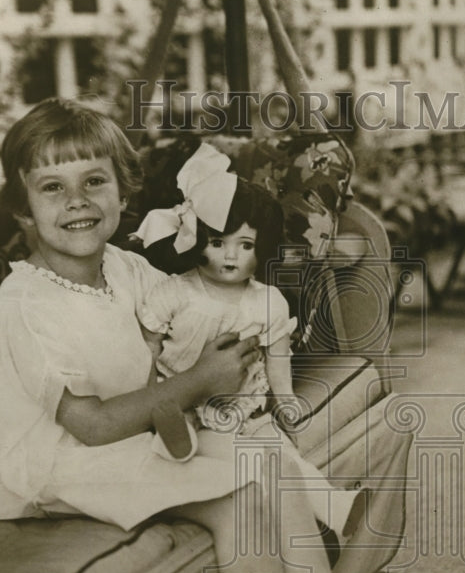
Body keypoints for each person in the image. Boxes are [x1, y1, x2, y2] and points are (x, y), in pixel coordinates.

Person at [0, 96, 443, 573]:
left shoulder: (125, 270)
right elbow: (94, 424)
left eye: (94, 181)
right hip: (49, 463)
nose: (77, 202)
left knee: (265, 464)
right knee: (238, 501)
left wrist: (236, 328)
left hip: (128, 432)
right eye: (52, 188)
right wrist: (197, 385)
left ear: (123, 192)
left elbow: (170, 340)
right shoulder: (26, 307)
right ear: (22, 211)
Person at [134, 143, 361, 539]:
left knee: (285, 458)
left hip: (244, 409)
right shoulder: (175, 292)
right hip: (179, 397)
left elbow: (277, 355)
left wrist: (286, 399)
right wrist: (144, 390)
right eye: (218, 243)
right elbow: (148, 344)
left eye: (246, 246)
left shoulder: (267, 302)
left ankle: (337, 511)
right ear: (196, 238)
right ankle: (176, 439)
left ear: (263, 248)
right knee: (225, 447)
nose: (230, 257)